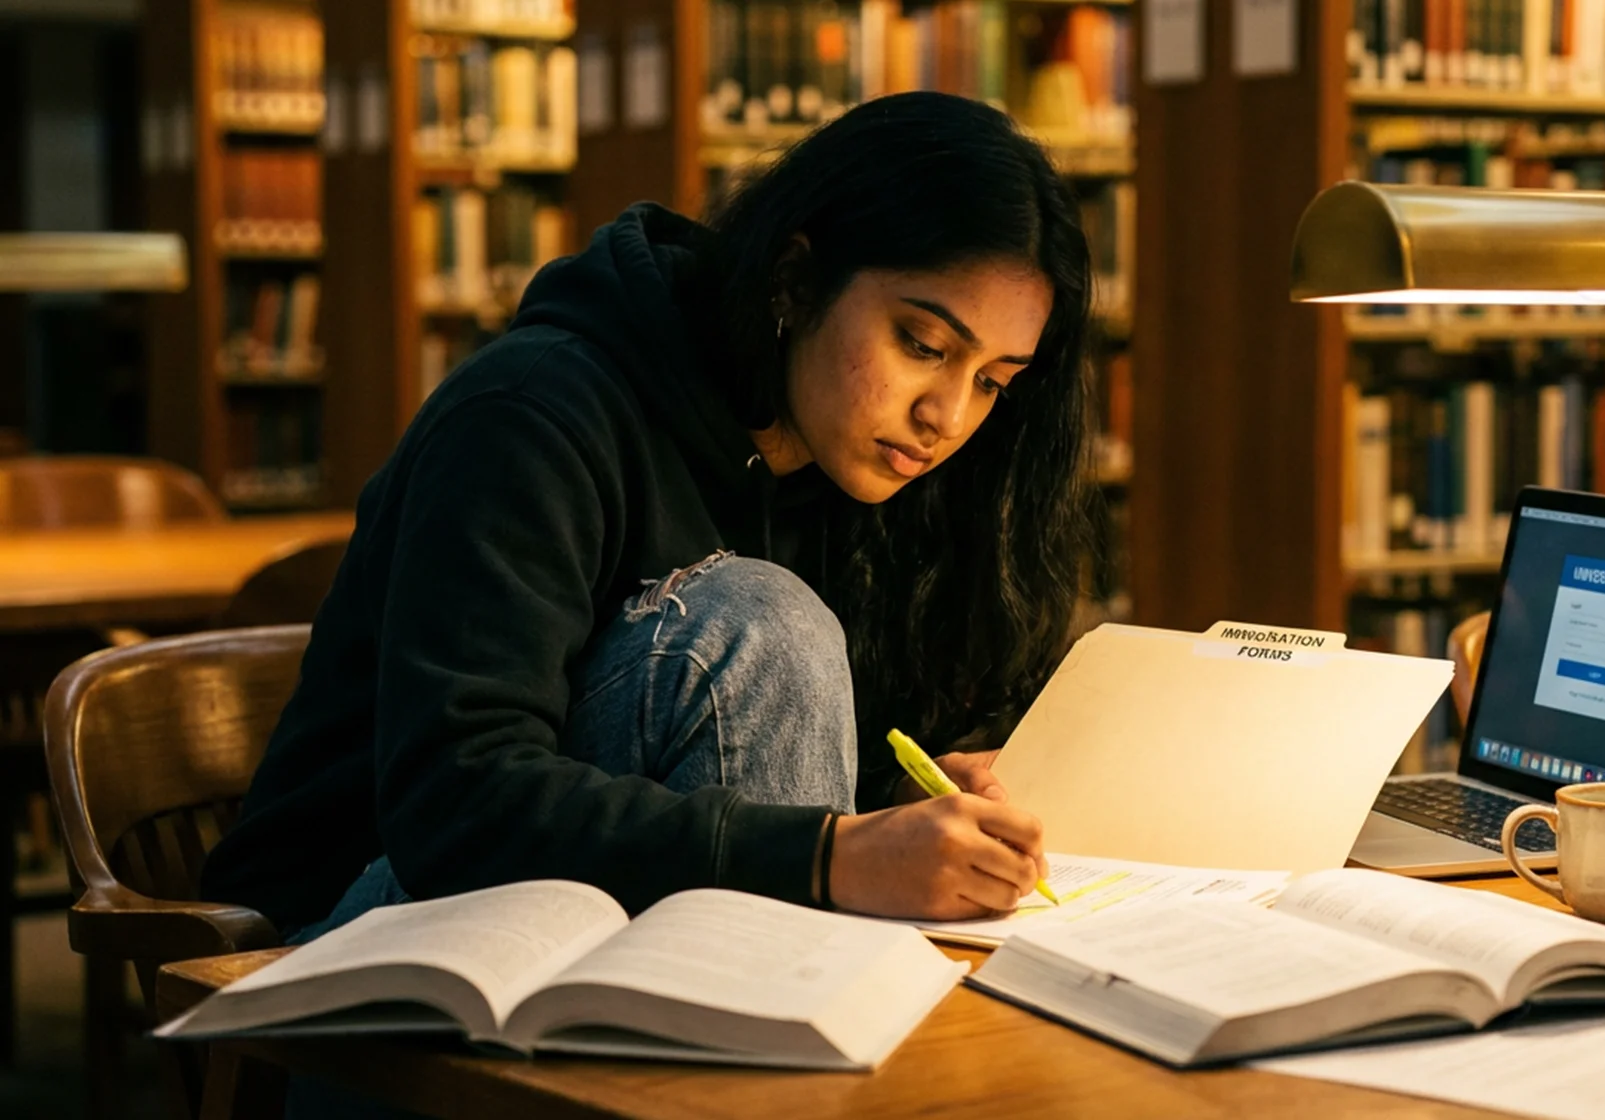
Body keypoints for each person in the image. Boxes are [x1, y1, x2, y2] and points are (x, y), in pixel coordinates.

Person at [201, 91, 1097, 941]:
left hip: (580, 931)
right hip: (347, 945)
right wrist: (830, 852)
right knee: (756, 620)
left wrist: (887, 811)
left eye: (991, 382)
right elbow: (456, 801)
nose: (945, 415)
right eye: (922, 345)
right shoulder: (529, 414)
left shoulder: (844, 469)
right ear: (795, 280)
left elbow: (728, 769)